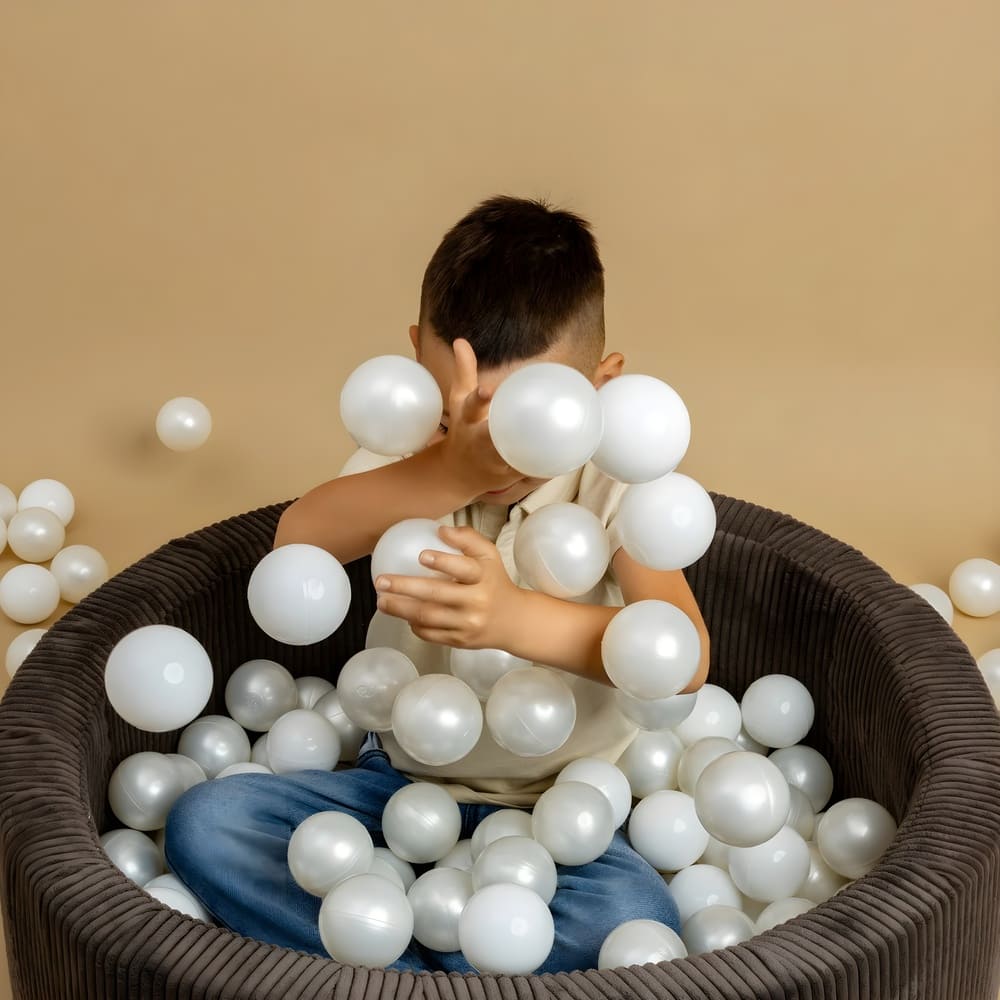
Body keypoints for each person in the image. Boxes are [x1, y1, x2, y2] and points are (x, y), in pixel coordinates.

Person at [165, 193, 711, 974]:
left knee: (634, 926)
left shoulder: (618, 482)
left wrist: (512, 619)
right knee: (206, 824)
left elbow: (682, 657)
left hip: (568, 814)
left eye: (528, 421)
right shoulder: (413, 449)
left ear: (600, 387)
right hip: (396, 788)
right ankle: (434, 972)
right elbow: (298, 546)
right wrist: (442, 468)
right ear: (418, 357)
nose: (494, 451)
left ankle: (391, 970)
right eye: (469, 415)